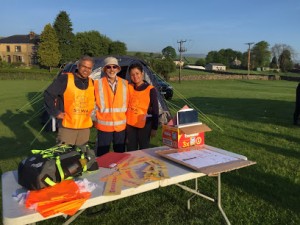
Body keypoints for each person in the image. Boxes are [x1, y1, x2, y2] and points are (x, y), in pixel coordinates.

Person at [44, 55, 95, 146]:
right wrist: (55, 112)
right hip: (67, 127)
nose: (86, 70)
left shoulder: (92, 83)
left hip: (84, 128)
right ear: (78, 66)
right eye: (84, 66)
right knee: (65, 156)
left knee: (81, 155)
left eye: (89, 68)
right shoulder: (65, 79)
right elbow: (48, 94)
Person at [94, 57, 129, 156]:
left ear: (118, 69)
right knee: (102, 155)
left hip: (120, 127)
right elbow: (92, 103)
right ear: (105, 69)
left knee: (119, 154)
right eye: (108, 67)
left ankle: (118, 172)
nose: (112, 69)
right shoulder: (97, 84)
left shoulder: (125, 84)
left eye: (114, 67)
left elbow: (129, 104)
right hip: (104, 127)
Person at [126, 62, 159, 151]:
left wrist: (154, 128)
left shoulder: (150, 89)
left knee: (143, 150)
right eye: (132, 74)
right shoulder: (128, 87)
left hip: (145, 125)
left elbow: (156, 109)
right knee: (131, 149)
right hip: (130, 125)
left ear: (142, 74)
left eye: (137, 73)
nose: (135, 76)